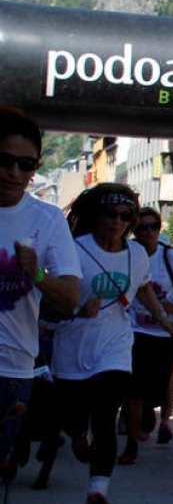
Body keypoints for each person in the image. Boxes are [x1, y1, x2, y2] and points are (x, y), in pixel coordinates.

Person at [57, 183, 173, 504]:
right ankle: (78, 434)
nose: (117, 221)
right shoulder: (75, 248)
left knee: (107, 413)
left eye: (125, 216)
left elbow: (143, 289)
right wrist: (78, 309)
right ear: (96, 215)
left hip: (115, 348)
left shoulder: (137, 254)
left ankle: (98, 489)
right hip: (73, 348)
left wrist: (165, 320)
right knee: (72, 418)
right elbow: (55, 296)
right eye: (110, 213)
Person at [0, 109, 80, 484]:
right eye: (5, 161)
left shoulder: (47, 220)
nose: (14, 173)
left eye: (25, 164)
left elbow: (70, 297)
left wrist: (36, 273)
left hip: (13, 370)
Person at [119, 207, 173, 463]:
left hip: (166, 334)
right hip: (135, 331)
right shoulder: (129, 253)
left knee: (156, 386)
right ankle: (131, 443)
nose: (148, 232)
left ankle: (154, 413)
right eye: (142, 227)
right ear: (134, 230)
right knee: (133, 389)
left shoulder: (169, 257)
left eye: (153, 226)